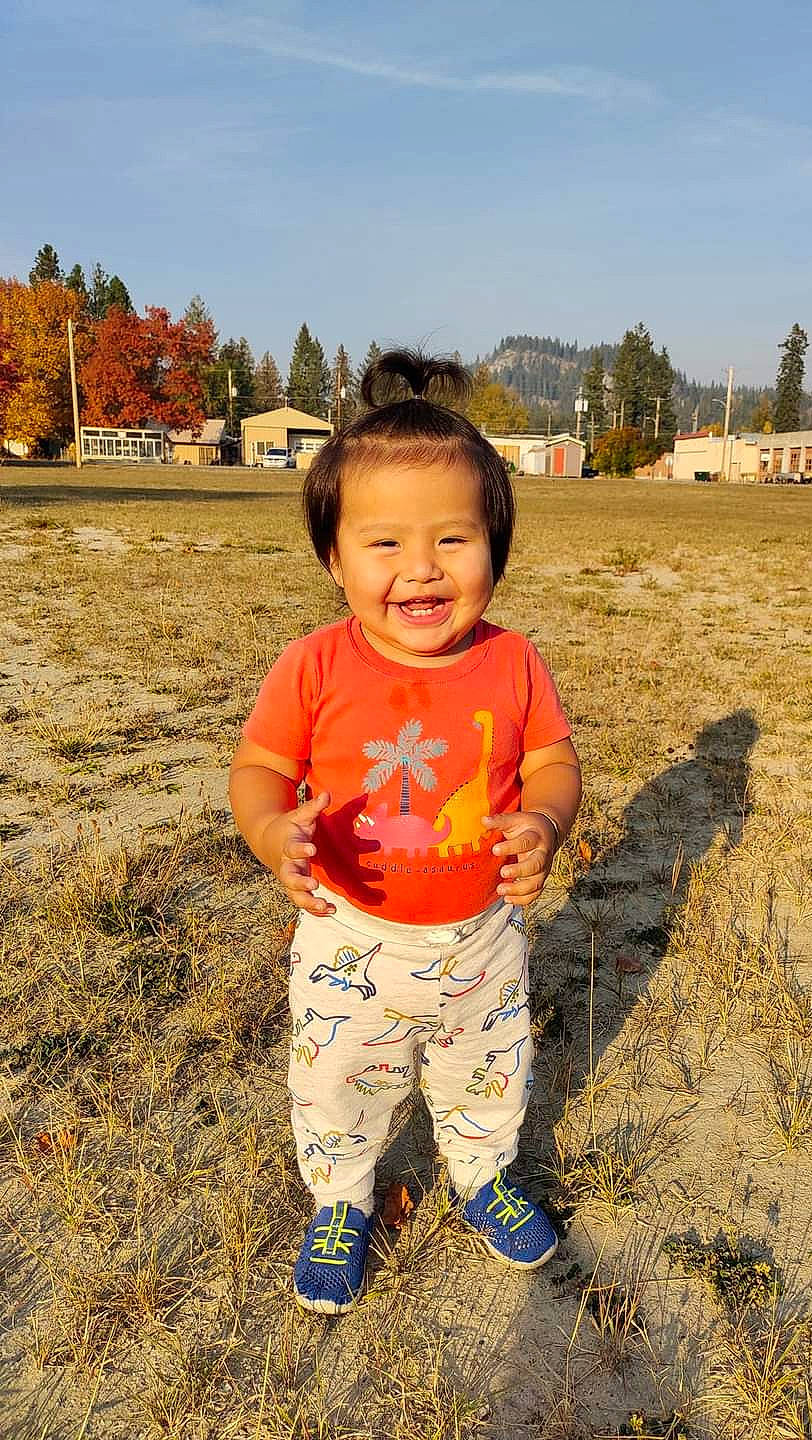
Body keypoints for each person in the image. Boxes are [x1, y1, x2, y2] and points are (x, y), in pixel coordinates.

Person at [229, 349, 582, 1314]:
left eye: (453, 540)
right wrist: (272, 835)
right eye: (383, 545)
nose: (420, 569)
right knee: (338, 1078)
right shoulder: (312, 665)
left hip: (480, 937)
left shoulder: (512, 664)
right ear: (334, 558)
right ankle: (343, 1201)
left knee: (488, 1067)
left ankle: (480, 1176)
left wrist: (546, 819)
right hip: (352, 936)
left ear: (496, 547)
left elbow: (553, 762)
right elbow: (257, 769)